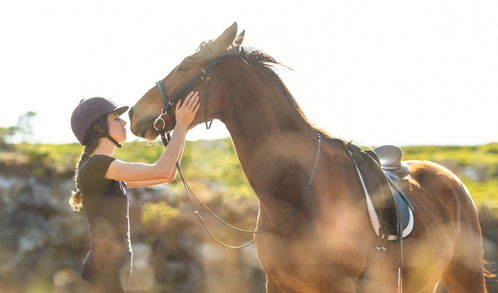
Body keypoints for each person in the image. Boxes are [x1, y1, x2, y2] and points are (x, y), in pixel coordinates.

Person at [69, 91, 200, 293]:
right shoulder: (97, 165)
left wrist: (183, 129)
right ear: (98, 127)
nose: (123, 122)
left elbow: (167, 175)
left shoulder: (105, 170)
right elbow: (161, 169)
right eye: (115, 118)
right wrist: (181, 126)